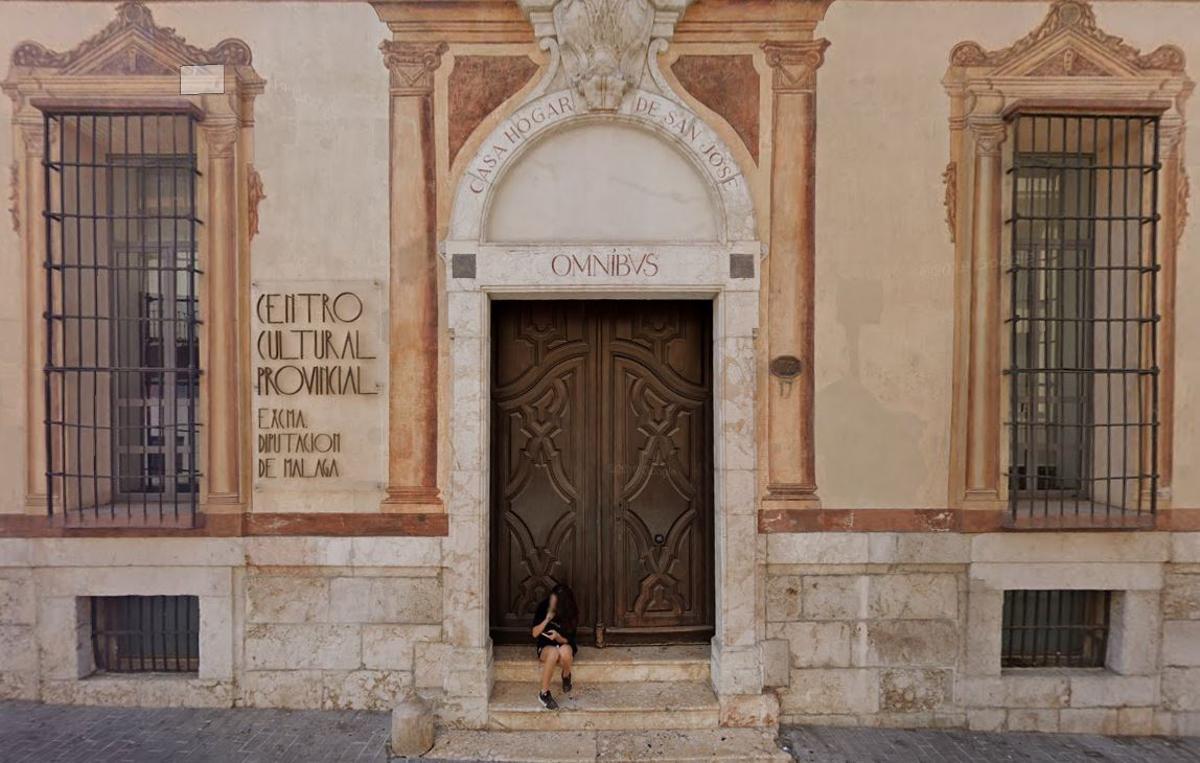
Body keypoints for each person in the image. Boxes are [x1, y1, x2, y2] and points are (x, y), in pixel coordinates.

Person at [530, 582, 578, 710]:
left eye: (554, 601)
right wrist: (546, 619)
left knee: (565, 652)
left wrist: (557, 637)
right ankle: (544, 693)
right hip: (546, 646)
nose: (551, 602)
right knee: (553, 653)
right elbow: (535, 633)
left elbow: (569, 639)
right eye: (551, 598)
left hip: (563, 644)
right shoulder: (543, 607)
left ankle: (566, 675)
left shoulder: (570, 612)